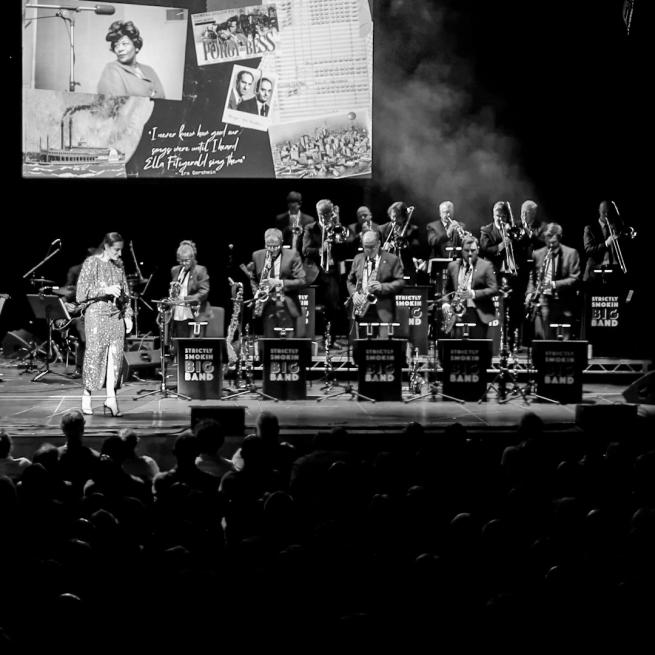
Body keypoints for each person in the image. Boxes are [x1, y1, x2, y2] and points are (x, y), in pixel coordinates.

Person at [76, 233, 133, 417]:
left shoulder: (119, 266)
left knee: (115, 359)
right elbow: (80, 294)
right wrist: (105, 290)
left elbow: (126, 295)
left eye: (121, 250)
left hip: (115, 317)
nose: (120, 253)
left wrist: (128, 315)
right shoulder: (91, 263)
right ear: (106, 247)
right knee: (95, 356)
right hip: (97, 315)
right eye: (117, 249)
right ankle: (87, 396)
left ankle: (111, 398)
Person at [302, 199, 350, 336]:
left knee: (334, 305)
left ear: (332, 212)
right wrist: (320, 249)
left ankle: (330, 337)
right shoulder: (311, 228)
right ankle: (310, 335)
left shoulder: (338, 228)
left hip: (332, 272)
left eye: (327, 213)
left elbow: (346, 250)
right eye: (321, 214)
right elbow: (305, 251)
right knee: (308, 303)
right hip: (315, 272)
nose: (323, 217)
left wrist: (338, 238)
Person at [526, 223, 581, 340]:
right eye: (548, 241)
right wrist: (529, 293)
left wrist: (554, 284)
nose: (550, 245)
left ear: (559, 238)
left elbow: (574, 279)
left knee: (566, 342)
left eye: (554, 242)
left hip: (565, 302)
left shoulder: (571, 253)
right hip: (545, 302)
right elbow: (533, 277)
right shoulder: (537, 254)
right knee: (547, 340)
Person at [249, 228, 306, 337]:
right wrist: (257, 294)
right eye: (268, 246)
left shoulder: (292, 255)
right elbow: (253, 278)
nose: (272, 250)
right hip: (267, 305)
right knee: (269, 342)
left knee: (287, 343)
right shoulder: (257, 255)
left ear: (281, 242)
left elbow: (302, 281)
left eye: (275, 246)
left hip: (287, 304)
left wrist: (279, 282)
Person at [347, 229, 405, 336]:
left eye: (371, 247)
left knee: (383, 348)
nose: (368, 250)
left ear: (378, 244)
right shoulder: (358, 259)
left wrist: (382, 287)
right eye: (366, 247)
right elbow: (350, 281)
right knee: (363, 347)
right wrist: (354, 294)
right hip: (363, 309)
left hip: (383, 308)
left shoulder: (392, 259)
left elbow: (400, 282)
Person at [442, 236, 498, 339]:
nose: (470, 253)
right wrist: (445, 304)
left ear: (478, 250)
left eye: (473, 250)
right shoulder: (452, 266)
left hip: (478, 312)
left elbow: (494, 289)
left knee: (477, 348)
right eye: (467, 250)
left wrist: (473, 293)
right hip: (457, 311)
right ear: (461, 250)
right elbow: (447, 289)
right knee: (456, 350)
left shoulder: (486, 266)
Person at [97, 21, 165, 99]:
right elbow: (119, 105)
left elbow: (162, 97)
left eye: (124, 44)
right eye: (116, 45)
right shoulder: (112, 69)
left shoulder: (149, 70)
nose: (119, 49)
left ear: (136, 47)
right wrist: (151, 95)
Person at [169, 240, 210, 340]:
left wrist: (186, 299)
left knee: (190, 346)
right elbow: (174, 288)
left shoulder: (200, 270)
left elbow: (204, 291)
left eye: (186, 260)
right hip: (178, 312)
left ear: (192, 258)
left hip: (193, 313)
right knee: (177, 342)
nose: (184, 263)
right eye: (181, 260)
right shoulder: (175, 270)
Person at [583, 200, 630, 284]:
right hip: (596, 271)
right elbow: (588, 250)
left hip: (615, 270)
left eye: (608, 213)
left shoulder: (616, 226)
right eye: (604, 212)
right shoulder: (589, 228)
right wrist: (606, 243)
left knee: (626, 294)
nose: (606, 215)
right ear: (601, 212)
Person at [379, 201, 422, 283]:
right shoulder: (382, 229)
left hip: (406, 269)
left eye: (397, 217)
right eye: (393, 217)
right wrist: (383, 248)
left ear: (404, 217)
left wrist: (405, 244)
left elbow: (417, 251)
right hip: (387, 270)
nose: (394, 220)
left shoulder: (413, 230)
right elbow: (374, 251)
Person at [480, 201, 514, 275]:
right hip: (494, 271)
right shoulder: (486, 230)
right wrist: (501, 245)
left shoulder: (511, 229)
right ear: (493, 216)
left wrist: (510, 232)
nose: (501, 219)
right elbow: (485, 250)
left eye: (503, 216)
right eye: (498, 216)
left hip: (512, 270)